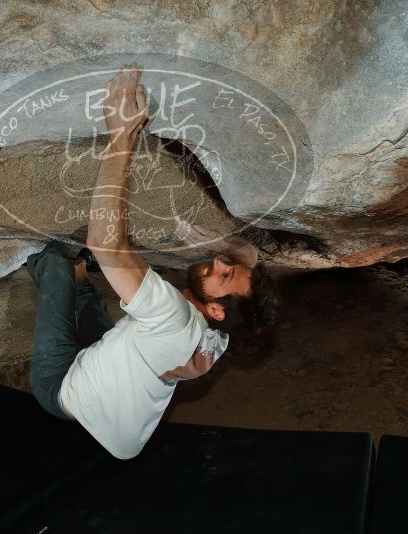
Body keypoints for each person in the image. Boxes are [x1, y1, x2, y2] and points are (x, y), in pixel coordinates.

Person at [26, 64, 276, 459]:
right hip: (116, 412)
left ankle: (60, 267)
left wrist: (122, 133)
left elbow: (106, 242)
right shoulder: (223, 335)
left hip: (59, 390)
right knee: (93, 298)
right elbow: (252, 258)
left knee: (55, 260)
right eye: (226, 265)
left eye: (223, 275)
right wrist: (226, 245)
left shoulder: (173, 316)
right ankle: (81, 277)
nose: (217, 262)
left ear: (214, 308)